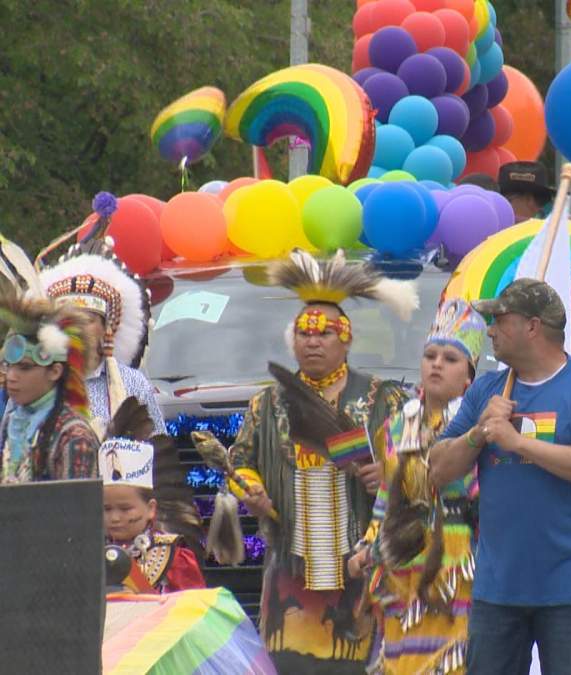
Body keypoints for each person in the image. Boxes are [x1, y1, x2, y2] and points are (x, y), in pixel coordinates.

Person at [202, 251, 412, 672]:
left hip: (361, 562)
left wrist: (387, 474)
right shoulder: (268, 402)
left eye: (324, 334)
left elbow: (417, 470)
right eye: (304, 334)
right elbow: (242, 461)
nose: (313, 342)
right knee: (291, 664)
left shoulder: (383, 400)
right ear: (292, 340)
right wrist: (251, 490)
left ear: (347, 339)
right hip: (291, 565)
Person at [429, 278, 571, 674]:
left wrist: (518, 442)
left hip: (570, 589)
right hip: (497, 588)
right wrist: (477, 433)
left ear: (533, 327)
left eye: (499, 320)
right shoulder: (487, 391)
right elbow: (437, 468)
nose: (489, 330)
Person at [345, 299, 485, 674]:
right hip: (402, 560)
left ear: (469, 377)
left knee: (453, 659)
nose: (437, 364)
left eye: (450, 359)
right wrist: (366, 548)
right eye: (430, 356)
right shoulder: (396, 425)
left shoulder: (480, 427)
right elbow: (388, 500)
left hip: (457, 564)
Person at [41, 237, 165, 435]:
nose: (78, 329)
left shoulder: (132, 383)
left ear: (106, 329)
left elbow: (156, 450)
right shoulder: (36, 381)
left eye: (88, 320)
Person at [0, 284, 99, 483]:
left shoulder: (75, 437)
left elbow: (76, 511)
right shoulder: (11, 421)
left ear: (54, 371)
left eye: (25, 368)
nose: (11, 376)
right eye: (8, 366)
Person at [101, 421, 205, 594]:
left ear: (151, 508)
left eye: (125, 509)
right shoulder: (91, 557)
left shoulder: (175, 560)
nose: (115, 518)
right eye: (106, 509)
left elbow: (194, 612)